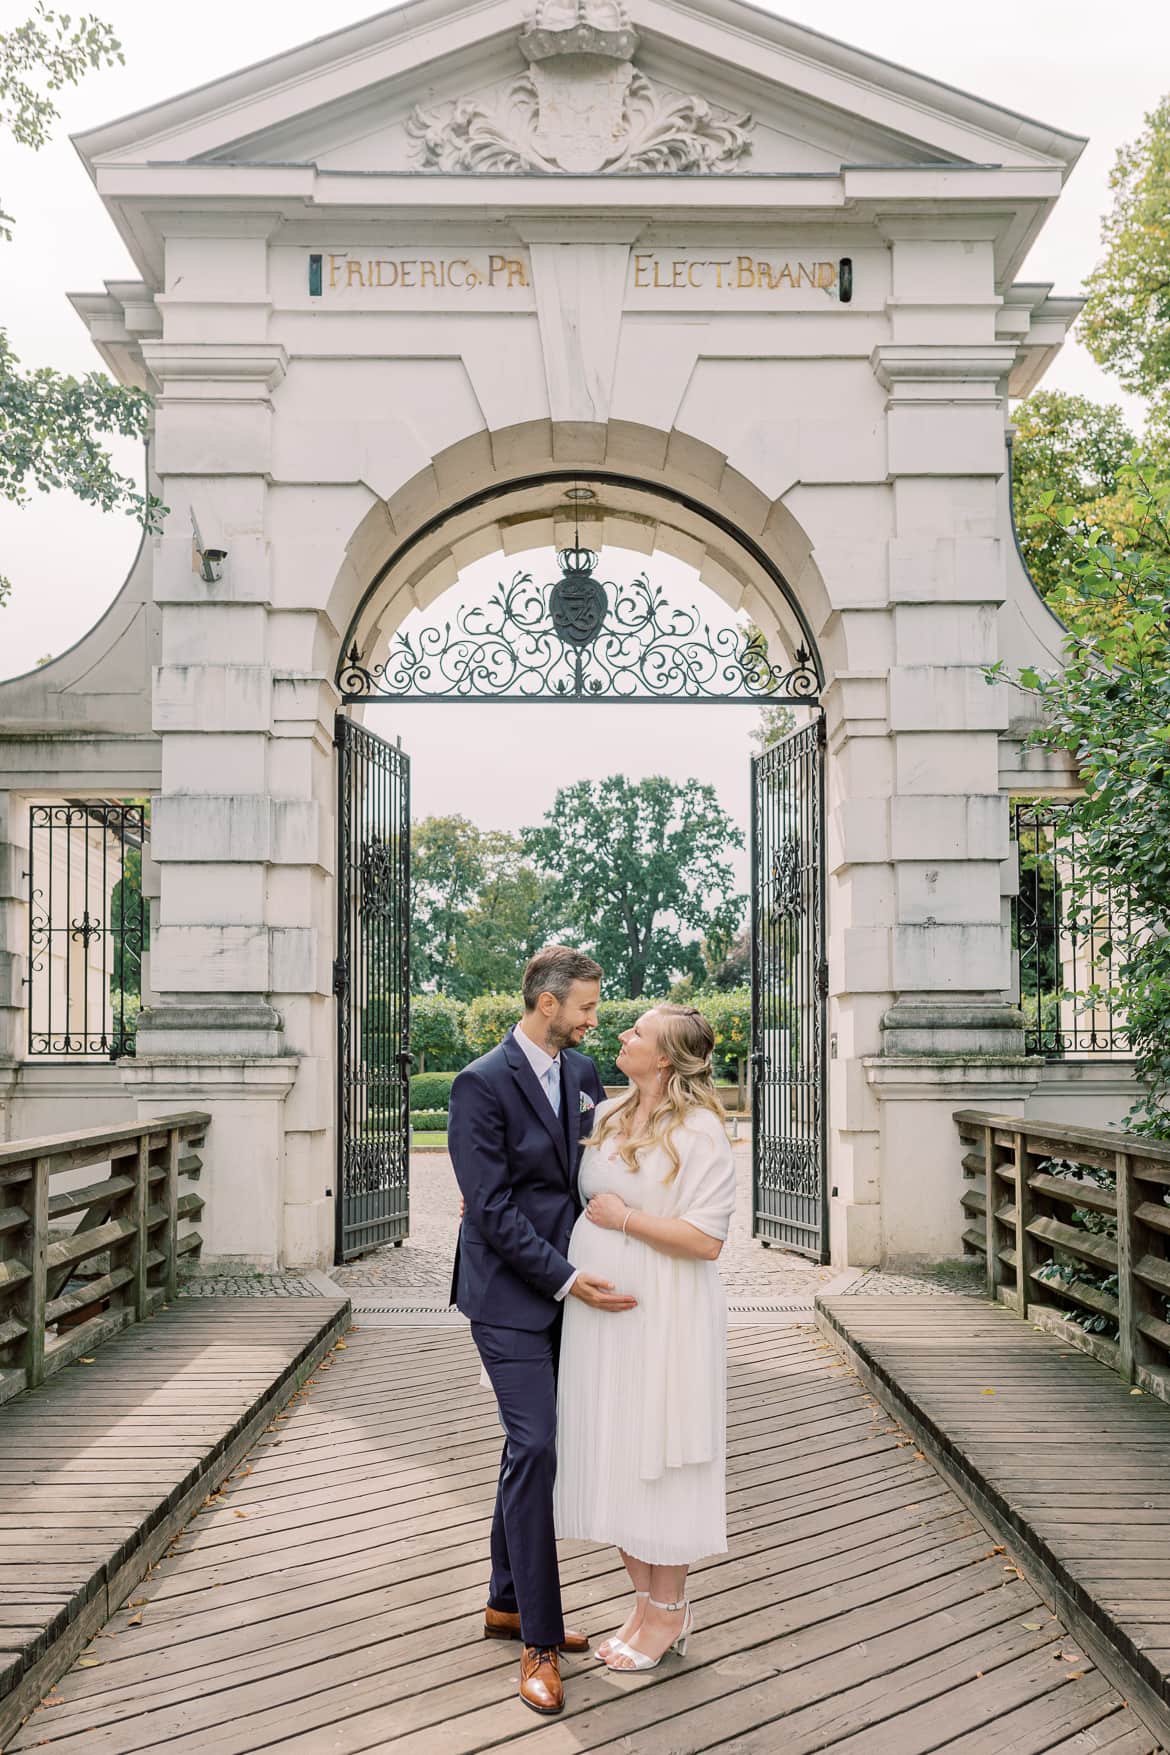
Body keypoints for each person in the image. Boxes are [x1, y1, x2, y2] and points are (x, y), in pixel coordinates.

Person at [448, 945, 637, 1717]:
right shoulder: (478, 1083)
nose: (594, 1019)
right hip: (506, 1295)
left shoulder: (587, 1075)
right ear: (545, 1001)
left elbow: (595, 1172)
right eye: (586, 1007)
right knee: (536, 1445)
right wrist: (562, 1275)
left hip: (570, 1287)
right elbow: (488, 1209)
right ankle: (539, 1639)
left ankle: (503, 1598)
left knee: (529, 1443)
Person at [554, 1003, 735, 1671]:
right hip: (600, 1320)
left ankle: (669, 1611)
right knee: (616, 1448)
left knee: (661, 1450)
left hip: (666, 1315)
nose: (622, 1035)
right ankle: (641, 1601)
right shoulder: (604, 1115)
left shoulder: (699, 1131)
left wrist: (625, 1219)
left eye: (638, 1032)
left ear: (664, 1057)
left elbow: (707, 1239)